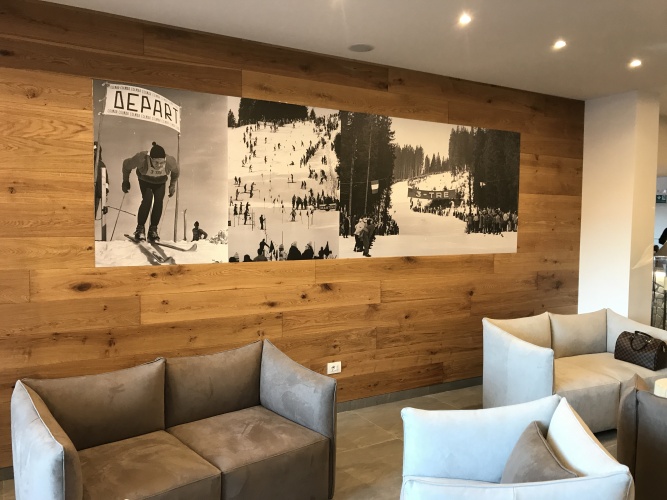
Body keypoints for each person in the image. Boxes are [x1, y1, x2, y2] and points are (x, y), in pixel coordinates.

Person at [122, 141, 179, 242]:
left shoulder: (170, 161)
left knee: (159, 201)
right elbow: (126, 165)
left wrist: (172, 185)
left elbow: (176, 172)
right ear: (150, 158)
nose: (159, 165)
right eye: (156, 162)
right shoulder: (141, 159)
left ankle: (153, 230)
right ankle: (140, 229)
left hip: (160, 181)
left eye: (162, 162)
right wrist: (125, 181)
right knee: (147, 199)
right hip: (145, 180)